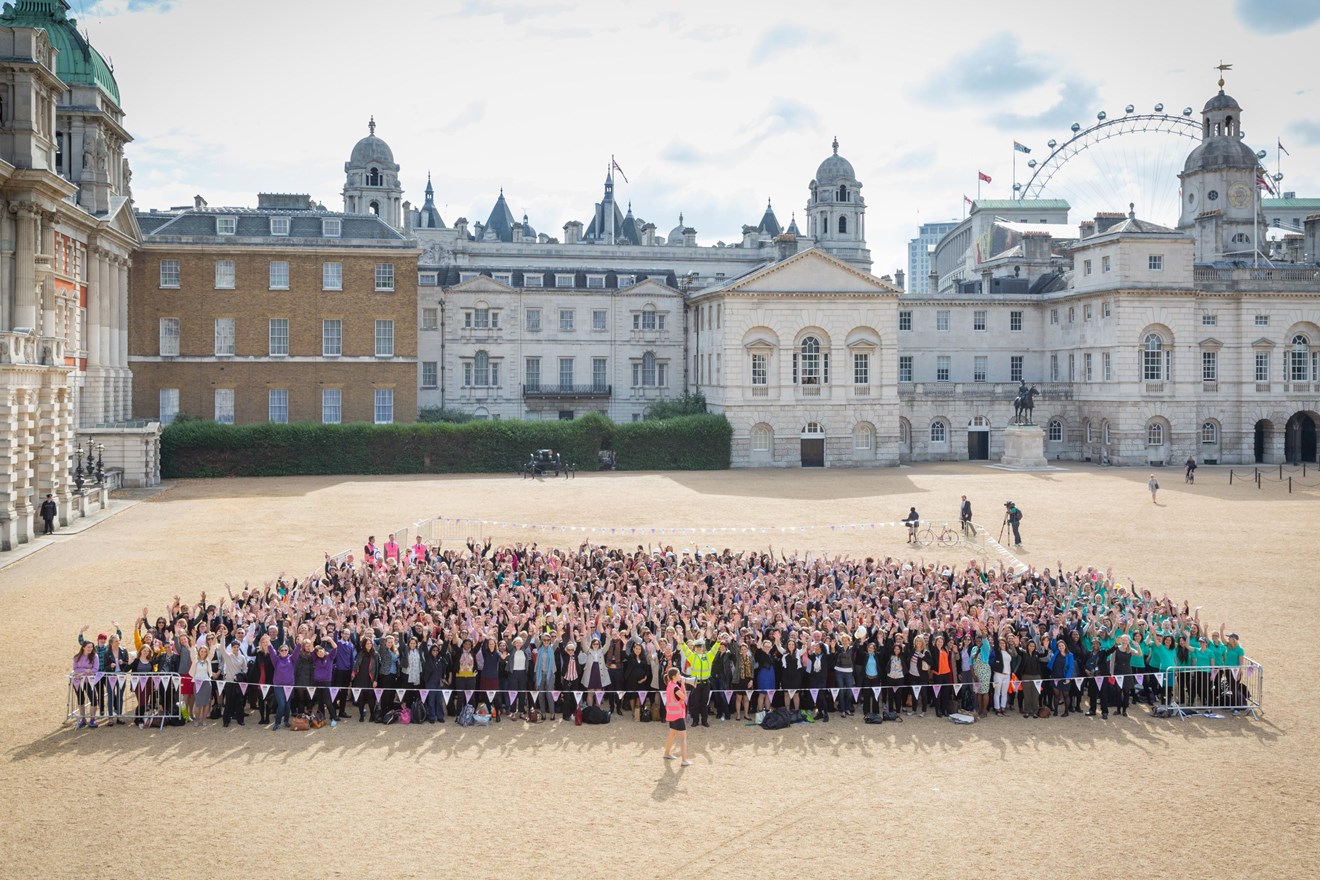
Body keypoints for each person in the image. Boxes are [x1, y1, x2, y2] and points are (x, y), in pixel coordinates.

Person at [662, 668, 691, 767]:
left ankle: (667, 753)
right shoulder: (675, 687)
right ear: (674, 677)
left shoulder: (670, 685)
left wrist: (681, 684)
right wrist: (683, 684)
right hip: (678, 715)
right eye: (679, 674)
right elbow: (684, 697)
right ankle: (684, 760)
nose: (680, 676)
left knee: (672, 735)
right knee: (683, 737)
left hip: (671, 714)